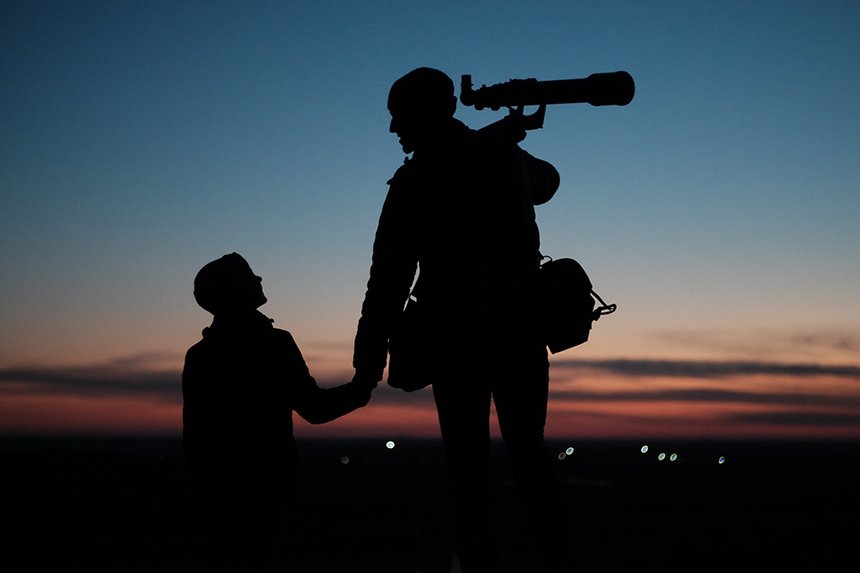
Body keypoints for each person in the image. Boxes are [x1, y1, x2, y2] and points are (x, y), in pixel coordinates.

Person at [352, 67, 568, 572]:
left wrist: (368, 358)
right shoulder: (503, 157)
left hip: (457, 341)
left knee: (468, 469)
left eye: (399, 117)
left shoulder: (417, 179)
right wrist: (506, 141)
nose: (392, 130)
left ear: (427, 114)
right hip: (518, 333)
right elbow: (549, 181)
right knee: (529, 457)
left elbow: (388, 279)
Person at [182, 252, 375, 570]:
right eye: (250, 276)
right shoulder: (273, 344)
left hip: (217, 495)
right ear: (235, 291)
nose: (259, 280)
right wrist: (361, 388)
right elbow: (314, 408)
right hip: (266, 491)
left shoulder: (200, 355)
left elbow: (196, 436)